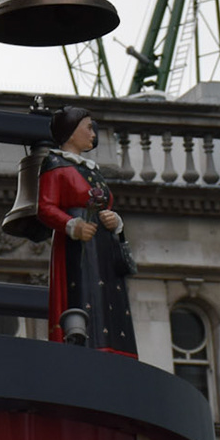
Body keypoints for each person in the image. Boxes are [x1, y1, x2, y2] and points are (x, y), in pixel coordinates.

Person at [37, 105, 137, 353]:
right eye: (89, 128)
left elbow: (107, 205)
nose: (93, 134)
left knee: (107, 300)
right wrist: (73, 225)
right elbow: (45, 207)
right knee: (83, 293)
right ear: (71, 131)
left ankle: (113, 347)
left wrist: (115, 222)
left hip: (103, 247)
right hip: (79, 247)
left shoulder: (92, 170)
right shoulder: (54, 164)